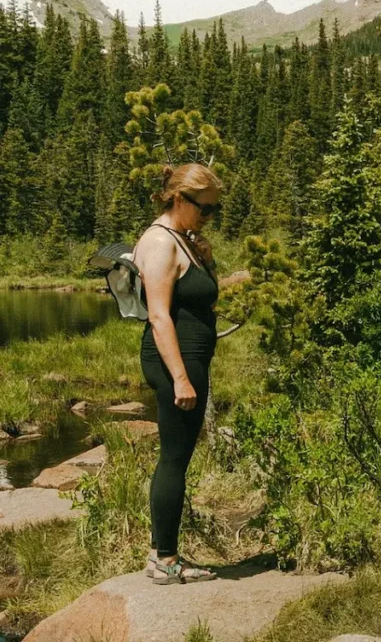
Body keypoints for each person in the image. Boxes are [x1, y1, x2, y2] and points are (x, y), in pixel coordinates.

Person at [134, 163, 223, 585]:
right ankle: (163, 559)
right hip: (176, 362)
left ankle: (164, 553)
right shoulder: (159, 243)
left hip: (189, 359)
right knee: (173, 458)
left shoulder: (182, 241)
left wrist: (206, 258)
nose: (209, 217)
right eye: (205, 209)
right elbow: (158, 316)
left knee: (178, 456)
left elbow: (199, 297)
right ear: (179, 199)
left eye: (214, 210)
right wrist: (181, 378)